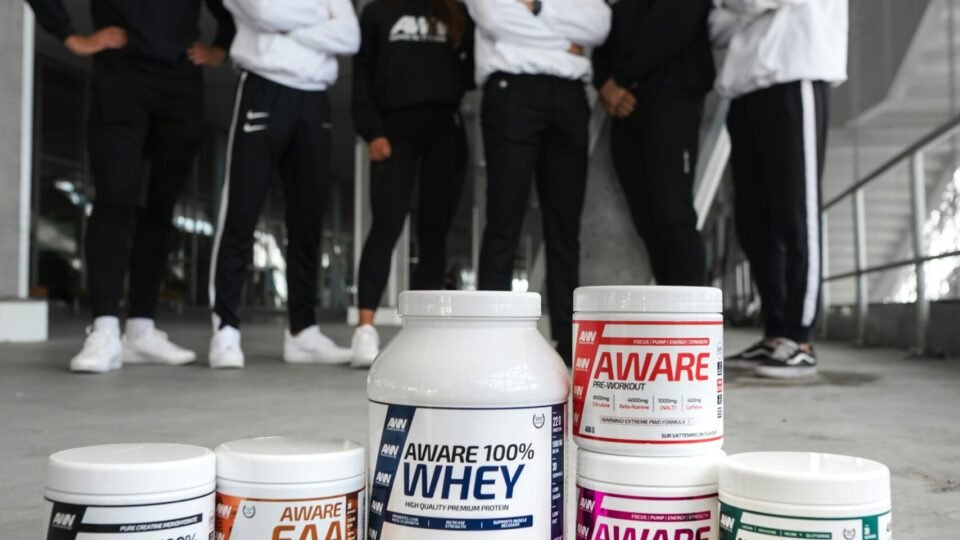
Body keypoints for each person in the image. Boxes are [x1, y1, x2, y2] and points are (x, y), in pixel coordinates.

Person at [25, 0, 235, 373]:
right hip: (122, 76)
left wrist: (220, 48)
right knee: (115, 198)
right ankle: (105, 328)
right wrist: (71, 37)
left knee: (162, 207)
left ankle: (141, 329)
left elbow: (237, 8)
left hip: (181, 84)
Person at [208, 0, 360, 369]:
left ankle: (302, 331)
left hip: (314, 97)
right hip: (264, 87)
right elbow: (263, 13)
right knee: (242, 211)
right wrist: (319, 14)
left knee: (308, 219)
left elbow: (350, 37)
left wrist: (287, 24)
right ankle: (225, 328)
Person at [464, 0, 611, 365]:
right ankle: (492, 341)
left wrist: (537, 9)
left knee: (565, 226)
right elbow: (494, 16)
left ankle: (568, 341)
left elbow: (599, 25)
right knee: (504, 218)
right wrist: (564, 42)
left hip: (569, 98)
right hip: (511, 92)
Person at [711, 0, 848, 378]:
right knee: (753, 222)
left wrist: (737, 8)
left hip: (795, 74)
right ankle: (775, 334)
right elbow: (714, 26)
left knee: (796, 212)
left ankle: (799, 337)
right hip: (745, 91)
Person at [350, 0, 475, 368]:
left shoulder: (456, 10)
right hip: (394, 130)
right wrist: (371, 131)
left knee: (434, 230)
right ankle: (365, 329)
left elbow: (468, 70)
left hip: (444, 130)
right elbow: (362, 74)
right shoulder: (377, 11)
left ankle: (422, 333)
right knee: (387, 222)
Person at [593, 0, 714, 286]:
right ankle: (668, 318)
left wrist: (619, 78)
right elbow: (603, 34)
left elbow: (672, 24)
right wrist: (604, 84)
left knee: (674, 214)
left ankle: (691, 322)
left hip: (672, 98)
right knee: (646, 218)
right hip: (624, 107)